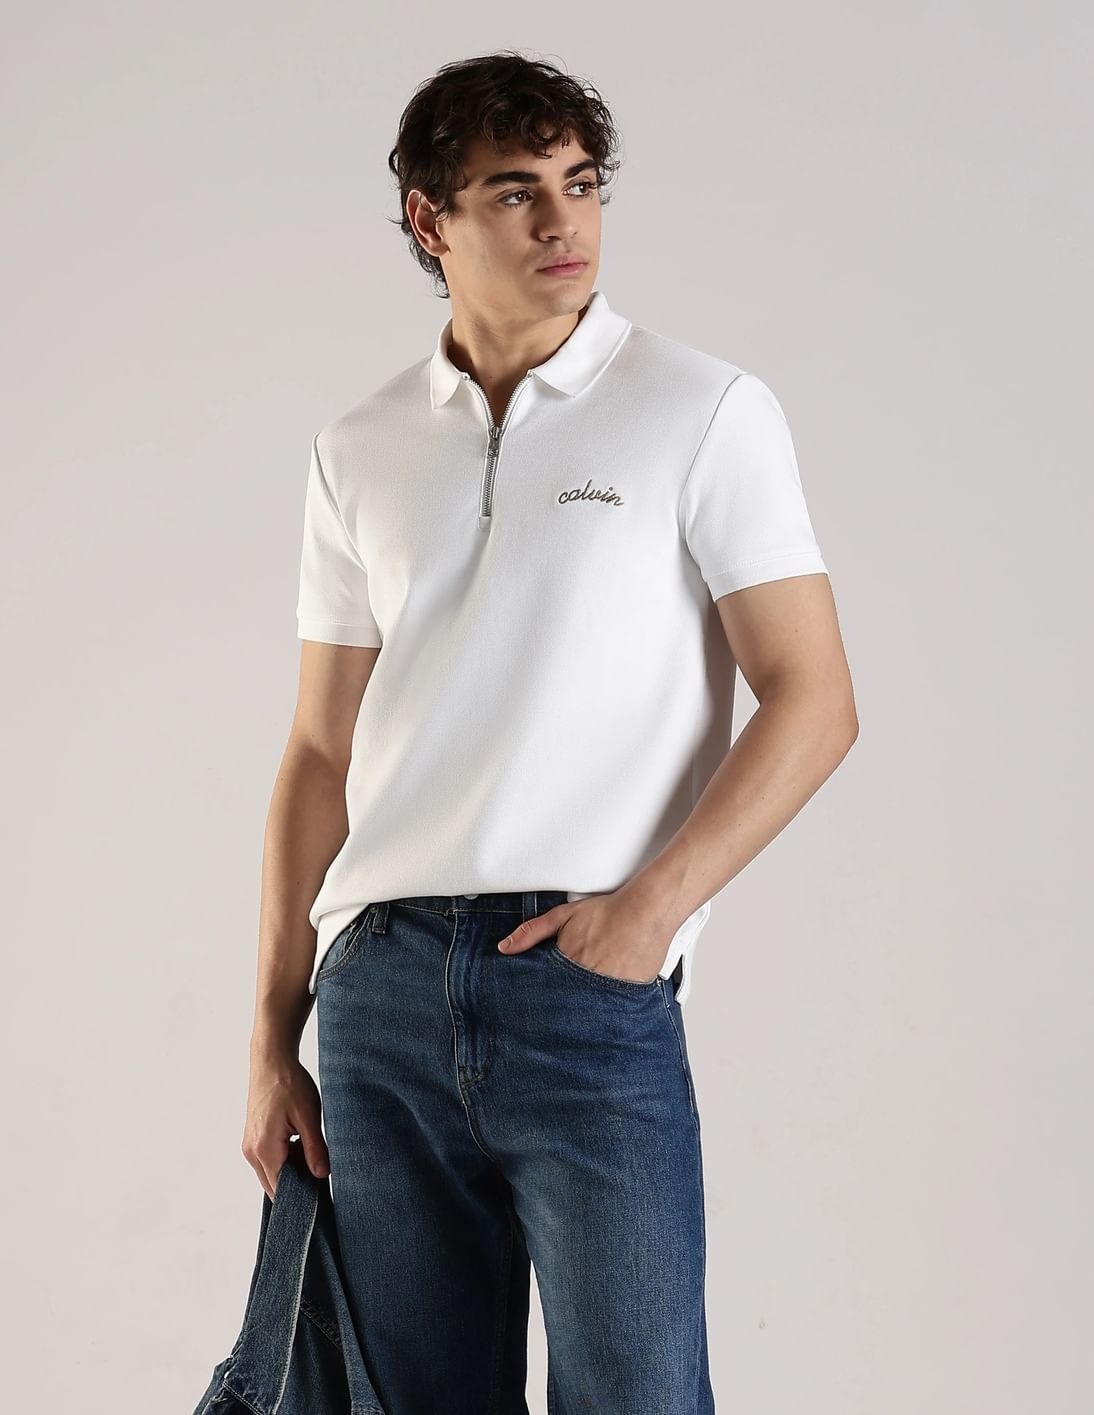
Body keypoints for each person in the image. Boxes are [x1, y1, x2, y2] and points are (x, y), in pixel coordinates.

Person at [243, 49, 857, 1415]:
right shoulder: (358, 446)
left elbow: (815, 697)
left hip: (584, 986)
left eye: (581, 185)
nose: (563, 222)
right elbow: (320, 753)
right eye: (515, 192)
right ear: (430, 219)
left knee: (640, 1397)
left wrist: (649, 914)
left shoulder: (702, 410)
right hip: (382, 995)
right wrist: (273, 1035)